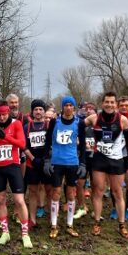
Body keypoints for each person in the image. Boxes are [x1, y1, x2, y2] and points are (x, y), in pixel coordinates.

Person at [83, 92, 128, 238]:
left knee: (117, 192)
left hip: (116, 160)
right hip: (99, 159)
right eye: (107, 102)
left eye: (112, 102)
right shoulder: (94, 118)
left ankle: (122, 224)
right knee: (98, 191)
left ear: (115, 104)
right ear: (102, 103)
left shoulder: (123, 120)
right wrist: (80, 142)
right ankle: (97, 222)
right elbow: (79, 127)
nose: (109, 105)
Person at [0, 100, 33, 248]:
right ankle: (5, 232)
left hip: (13, 166)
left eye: (4, 114)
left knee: (19, 200)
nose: (2, 117)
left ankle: (25, 234)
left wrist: (5, 136)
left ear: (8, 112)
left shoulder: (16, 124)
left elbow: (21, 144)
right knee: (0, 199)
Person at [44, 96, 84, 238]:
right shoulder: (55, 122)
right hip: (57, 161)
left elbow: (83, 145)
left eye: (70, 105)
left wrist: (83, 163)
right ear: (62, 107)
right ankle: (54, 225)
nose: (68, 107)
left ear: (74, 107)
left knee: (71, 193)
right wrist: (47, 161)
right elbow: (47, 142)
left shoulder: (79, 123)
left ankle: (69, 224)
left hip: (72, 162)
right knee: (56, 192)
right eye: (65, 105)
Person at [24, 99, 50, 229]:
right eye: (36, 109)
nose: (38, 111)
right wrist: (33, 159)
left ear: (44, 112)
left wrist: (46, 159)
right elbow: (24, 145)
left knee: (49, 191)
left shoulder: (49, 125)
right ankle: (32, 219)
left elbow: (52, 144)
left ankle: (52, 220)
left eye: (41, 109)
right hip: (32, 163)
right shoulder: (27, 127)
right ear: (32, 112)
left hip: (47, 163)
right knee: (33, 191)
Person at [117, 96, 128, 221]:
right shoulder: (114, 118)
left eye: (126, 105)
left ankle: (127, 209)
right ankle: (115, 208)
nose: (124, 107)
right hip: (116, 154)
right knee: (116, 184)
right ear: (118, 106)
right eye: (121, 105)